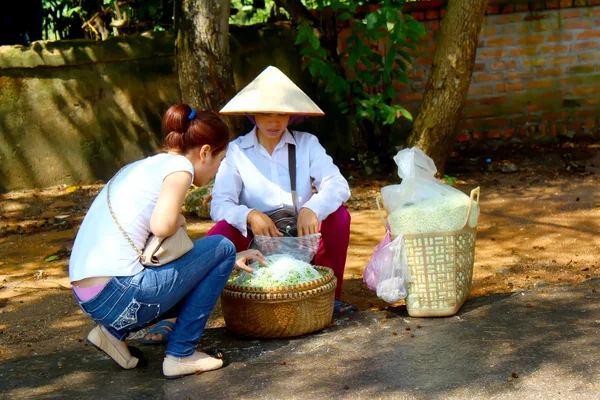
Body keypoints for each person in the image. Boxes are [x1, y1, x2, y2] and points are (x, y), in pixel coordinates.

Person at [143, 66, 356, 345]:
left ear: (292, 114)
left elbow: (338, 185)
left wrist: (312, 208)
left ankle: (330, 297)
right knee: (218, 233)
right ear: (252, 114)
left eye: (281, 112)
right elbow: (220, 204)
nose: (274, 121)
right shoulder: (236, 151)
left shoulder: (307, 144)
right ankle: (176, 315)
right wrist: (249, 215)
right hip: (255, 239)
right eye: (266, 112)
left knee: (339, 217)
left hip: (302, 236)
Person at [69, 104, 265, 379]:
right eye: (220, 162)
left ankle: (112, 334)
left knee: (220, 254)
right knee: (222, 246)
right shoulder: (180, 168)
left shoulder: (144, 165)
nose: (216, 171)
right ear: (205, 151)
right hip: (120, 294)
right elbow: (161, 226)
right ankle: (181, 354)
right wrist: (182, 221)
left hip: (93, 299)